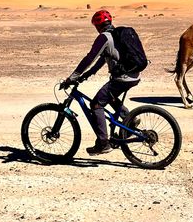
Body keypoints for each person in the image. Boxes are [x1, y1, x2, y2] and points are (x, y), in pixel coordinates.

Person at [60, 9, 141, 156]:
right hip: (134, 75)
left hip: (123, 78)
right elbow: (101, 60)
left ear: (97, 26)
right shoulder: (116, 35)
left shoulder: (104, 37)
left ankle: (103, 143)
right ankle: (130, 120)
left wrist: (72, 77)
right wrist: (86, 76)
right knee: (109, 96)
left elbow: (89, 58)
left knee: (96, 104)